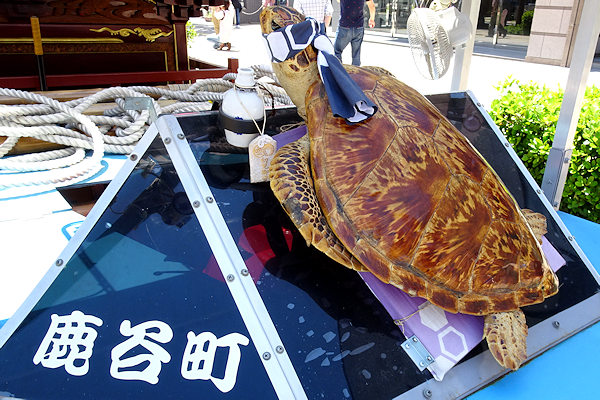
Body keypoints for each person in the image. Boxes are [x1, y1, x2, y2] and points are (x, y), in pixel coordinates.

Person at [334, 0, 375, 66]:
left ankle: (338, 70)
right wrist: (372, 19)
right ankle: (356, 71)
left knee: (337, 51)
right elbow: (372, 5)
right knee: (356, 55)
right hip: (359, 27)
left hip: (344, 26)